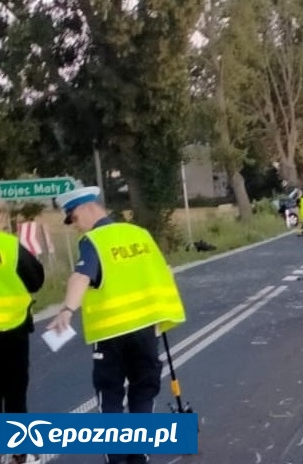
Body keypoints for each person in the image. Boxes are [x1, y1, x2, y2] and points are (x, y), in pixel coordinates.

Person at [47, 186, 187, 464]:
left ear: (88, 208)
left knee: (110, 396)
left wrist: (67, 309)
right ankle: (138, 455)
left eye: (73, 218)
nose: (75, 226)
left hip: (111, 334)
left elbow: (81, 276)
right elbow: (161, 273)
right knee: (143, 391)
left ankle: (117, 458)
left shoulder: (94, 240)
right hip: (146, 330)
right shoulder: (140, 234)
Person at [0, 194, 45, 464]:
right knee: (15, 393)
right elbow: (36, 279)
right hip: (13, 330)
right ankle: (20, 453)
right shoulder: (9, 246)